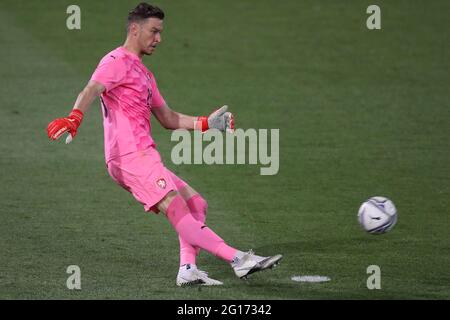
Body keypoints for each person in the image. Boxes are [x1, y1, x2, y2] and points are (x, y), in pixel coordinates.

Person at [46, 2, 282, 286]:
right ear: (135, 29)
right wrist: (75, 116)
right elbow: (92, 88)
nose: (159, 38)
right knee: (177, 209)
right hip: (129, 156)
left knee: (197, 203)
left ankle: (188, 269)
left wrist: (208, 123)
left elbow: (168, 118)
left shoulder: (145, 75)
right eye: (154, 31)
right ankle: (238, 259)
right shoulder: (115, 61)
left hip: (144, 155)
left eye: (160, 32)